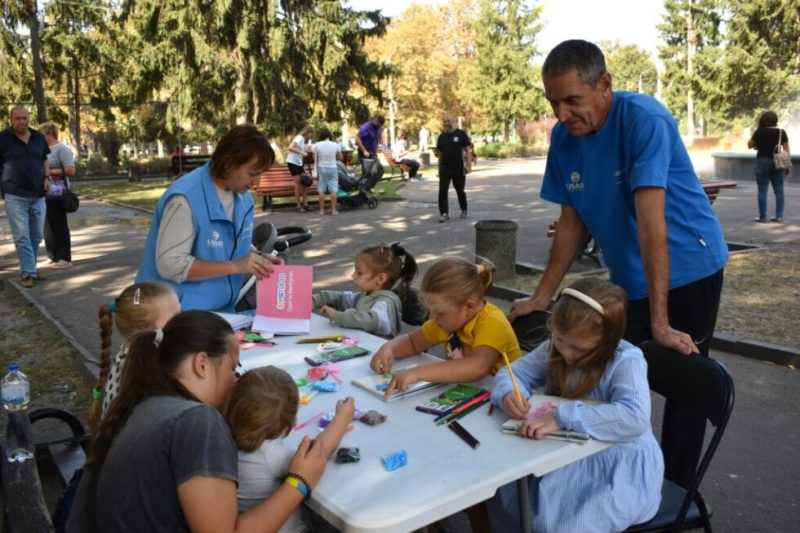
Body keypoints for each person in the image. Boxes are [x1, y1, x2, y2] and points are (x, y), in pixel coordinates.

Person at [507, 39, 727, 489]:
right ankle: (606, 476)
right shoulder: (563, 139)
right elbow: (570, 224)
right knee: (602, 371)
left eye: (573, 100)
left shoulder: (644, 120)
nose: (563, 114)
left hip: (688, 268)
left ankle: (675, 493)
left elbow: (652, 227)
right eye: (554, 102)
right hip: (628, 276)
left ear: (604, 84)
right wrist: (540, 297)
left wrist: (662, 323)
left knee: (684, 390)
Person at [67, 311, 331, 532]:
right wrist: (299, 482)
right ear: (202, 364)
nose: (236, 381)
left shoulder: (143, 400)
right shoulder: (197, 421)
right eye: (233, 368)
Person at [488, 277, 663, 532]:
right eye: (560, 340)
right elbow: (514, 373)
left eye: (579, 349)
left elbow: (633, 418)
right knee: (504, 498)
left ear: (607, 341)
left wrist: (561, 417)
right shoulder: (556, 347)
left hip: (612, 470)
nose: (567, 354)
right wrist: (509, 394)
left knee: (559, 523)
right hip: (561, 455)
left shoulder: (626, 360)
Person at [136, 124, 280, 313]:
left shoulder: (242, 196)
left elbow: (229, 245)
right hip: (171, 315)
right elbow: (170, 265)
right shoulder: (185, 198)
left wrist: (258, 261)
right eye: (252, 174)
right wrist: (236, 266)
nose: (257, 182)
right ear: (229, 163)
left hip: (218, 312)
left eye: (261, 174)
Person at [369, 257, 521, 397]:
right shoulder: (445, 320)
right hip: (468, 393)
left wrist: (417, 373)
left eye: (439, 313)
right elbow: (413, 342)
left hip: (505, 398)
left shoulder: (492, 322)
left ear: (469, 307)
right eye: (431, 311)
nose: (433, 318)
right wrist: (389, 349)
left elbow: (477, 367)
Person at [227, 366, 354, 532]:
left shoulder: (226, 437)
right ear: (289, 424)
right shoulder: (270, 455)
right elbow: (318, 453)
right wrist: (342, 419)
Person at [87, 282, 180, 431]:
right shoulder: (150, 369)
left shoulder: (131, 354)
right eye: (175, 318)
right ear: (149, 331)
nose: (182, 321)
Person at [313, 243, 418, 337]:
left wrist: (338, 316)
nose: (353, 275)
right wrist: (316, 299)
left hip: (379, 352)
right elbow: (341, 298)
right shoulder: (365, 296)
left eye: (359, 273)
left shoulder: (385, 302)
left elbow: (369, 320)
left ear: (381, 279)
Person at [0, 105, 51, 288]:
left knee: (36, 236)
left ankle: (31, 269)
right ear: (11, 120)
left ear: (29, 119)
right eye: (18, 118)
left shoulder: (38, 137)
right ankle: (28, 273)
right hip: (15, 193)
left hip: (38, 193)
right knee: (22, 236)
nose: (22, 121)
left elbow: (44, 159)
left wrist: (46, 178)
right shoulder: (3, 139)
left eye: (25, 118)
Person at [39, 122, 76, 269]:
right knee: (47, 225)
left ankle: (64, 257)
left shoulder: (62, 149)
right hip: (44, 192)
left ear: (49, 134)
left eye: (41, 134)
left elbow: (70, 170)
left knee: (59, 224)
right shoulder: (42, 149)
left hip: (58, 192)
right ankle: (52, 255)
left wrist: (49, 172)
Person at [747, 110, 790, 223]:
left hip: (762, 161)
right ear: (775, 120)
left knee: (762, 190)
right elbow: (786, 149)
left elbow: (749, 145)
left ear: (763, 120)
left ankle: (763, 216)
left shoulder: (759, 132)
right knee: (779, 190)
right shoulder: (781, 132)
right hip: (778, 162)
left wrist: (757, 145)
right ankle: (779, 216)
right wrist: (787, 165)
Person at [433, 115, 473, 222]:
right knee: (442, 191)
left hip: (458, 168)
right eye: (444, 121)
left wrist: (469, 165)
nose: (446, 123)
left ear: (454, 121)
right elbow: (440, 153)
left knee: (460, 191)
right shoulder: (441, 136)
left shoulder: (461, 134)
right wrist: (439, 169)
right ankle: (444, 213)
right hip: (445, 169)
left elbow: (468, 150)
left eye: (448, 121)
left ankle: (464, 208)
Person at [312, 127, 341, 215]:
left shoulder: (317, 145)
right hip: (332, 168)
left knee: (321, 190)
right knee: (333, 190)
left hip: (321, 168)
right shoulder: (335, 145)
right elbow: (340, 157)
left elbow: (314, 158)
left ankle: (321, 210)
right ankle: (333, 210)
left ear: (321, 136)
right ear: (329, 136)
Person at [286, 125, 314, 212]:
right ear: (308, 132)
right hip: (292, 162)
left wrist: (304, 152)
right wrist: (301, 152)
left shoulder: (302, 140)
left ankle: (305, 204)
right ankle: (298, 205)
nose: (311, 136)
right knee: (298, 184)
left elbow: (299, 150)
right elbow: (290, 147)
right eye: (311, 134)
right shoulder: (299, 137)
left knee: (306, 182)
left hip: (299, 163)